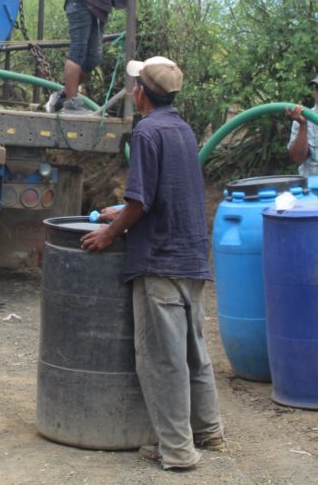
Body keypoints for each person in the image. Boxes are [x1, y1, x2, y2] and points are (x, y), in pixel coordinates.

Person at [81, 56, 224, 471]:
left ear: (141, 92)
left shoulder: (146, 131)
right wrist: (120, 212)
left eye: (134, 84)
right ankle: (208, 429)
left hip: (159, 257)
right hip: (191, 255)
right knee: (194, 350)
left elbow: (141, 200)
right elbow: (157, 196)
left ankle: (178, 451)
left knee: (162, 359)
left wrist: (110, 233)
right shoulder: (182, 129)